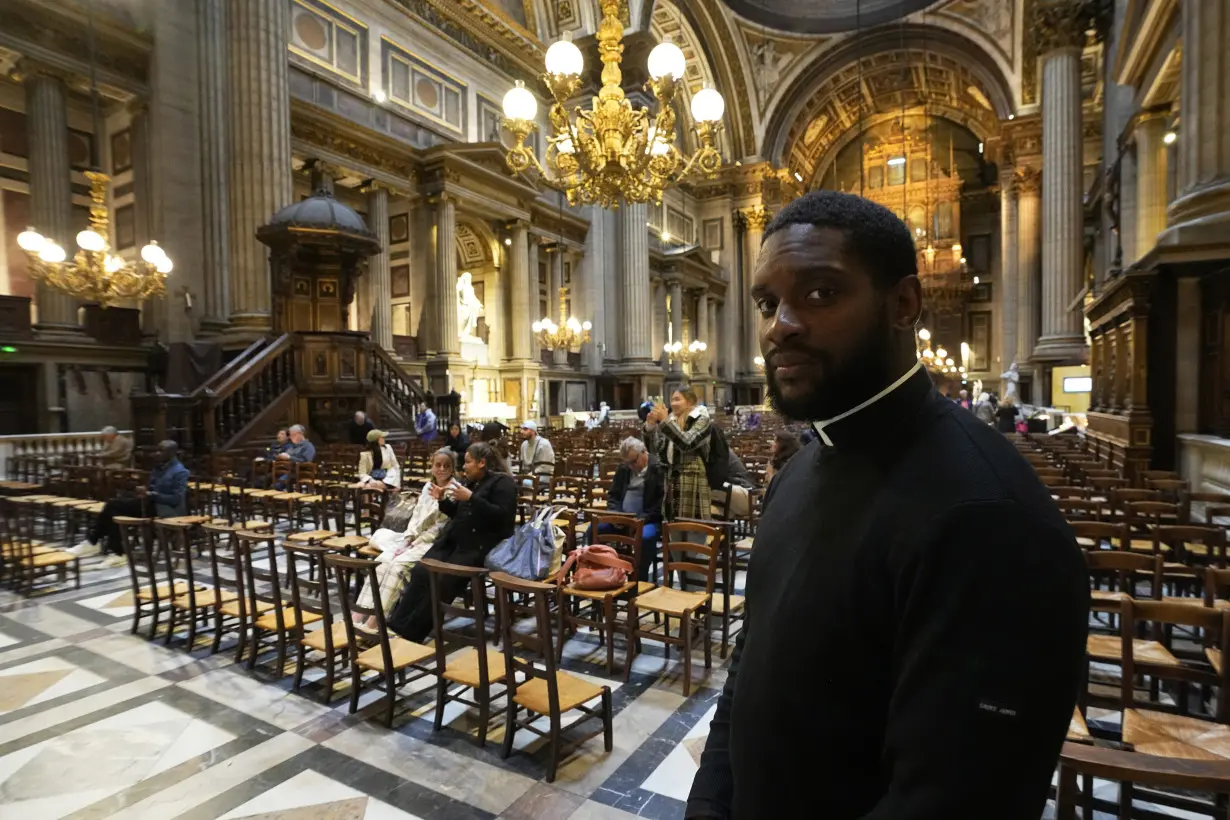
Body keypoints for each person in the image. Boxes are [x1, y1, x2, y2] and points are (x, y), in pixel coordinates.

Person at [686, 190, 1088, 820]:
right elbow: (748, 671)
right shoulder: (798, 471)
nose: (779, 326)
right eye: (769, 303)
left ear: (903, 304)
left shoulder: (989, 518)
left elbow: (951, 803)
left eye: (820, 293)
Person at [387, 442, 517, 642]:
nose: (463, 467)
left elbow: (503, 518)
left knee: (441, 582)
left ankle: (410, 635)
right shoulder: (473, 482)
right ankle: (395, 625)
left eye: (467, 462)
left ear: (482, 463)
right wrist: (442, 501)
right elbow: (459, 513)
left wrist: (472, 498)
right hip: (453, 541)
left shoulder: (504, 483)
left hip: (476, 547)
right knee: (421, 571)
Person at [355, 448, 457, 625]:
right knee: (381, 563)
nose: (441, 469)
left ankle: (374, 622)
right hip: (411, 539)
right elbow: (416, 516)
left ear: (453, 469)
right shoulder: (427, 487)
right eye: (438, 465)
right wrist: (408, 538)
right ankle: (356, 616)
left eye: (446, 466)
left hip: (431, 543)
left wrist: (415, 542)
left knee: (397, 568)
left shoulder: (453, 491)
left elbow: (440, 526)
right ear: (431, 467)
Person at [69, 440, 189, 568]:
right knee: (113, 507)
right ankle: (112, 550)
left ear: (171, 453)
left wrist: (151, 494)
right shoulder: (158, 468)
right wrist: (144, 491)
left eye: (161, 451)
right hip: (150, 503)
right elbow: (152, 488)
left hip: (166, 509)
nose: (157, 453)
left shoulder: (180, 471)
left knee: (115, 507)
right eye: (157, 450)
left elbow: (176, 499)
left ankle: (97, 543)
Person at [643, 387, 711, 521]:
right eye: (672, 400)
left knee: (693, 528)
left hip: (692, 478)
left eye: (677, 399)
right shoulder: (671, 421)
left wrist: (665, 421)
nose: (673, 403)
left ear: (690, 401)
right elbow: (656, 450)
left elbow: (687, 443)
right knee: (673, 529)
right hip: (671, 480)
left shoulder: (701, 418)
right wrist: (650, 427)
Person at [604, 437, 665, 581]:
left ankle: (639, 578)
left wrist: (643, 519)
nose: (631, 466)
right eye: (628, 463)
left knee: (644, 537)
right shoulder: (624, 468)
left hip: (649, 520)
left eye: (633, 461)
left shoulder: (657, 468)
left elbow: (661, 503)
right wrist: (615, 514)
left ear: (644, 452)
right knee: (595, 529)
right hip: (624, 519)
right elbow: (613, 496)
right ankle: (602, 573)